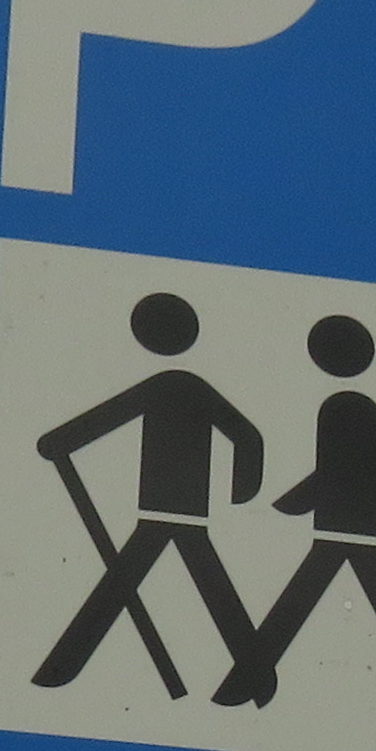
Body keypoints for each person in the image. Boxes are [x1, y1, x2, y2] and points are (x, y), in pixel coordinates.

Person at [216, 314, 376, 725]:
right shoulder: (347, 406)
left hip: (344, 527)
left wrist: (294, 503)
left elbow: (375, 463)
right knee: (316, 605)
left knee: (307, 605)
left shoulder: (345, 407)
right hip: (345, 529)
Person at [28, 293, 263, 697]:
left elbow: (245, 436)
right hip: (168, 510)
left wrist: (60, 440)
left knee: (139, 584)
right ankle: (58, 670)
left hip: (176, 509)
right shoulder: (181, 385)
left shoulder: (175, 385)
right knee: (147, 584)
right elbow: (247, 437)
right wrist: (59, 440)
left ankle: (59, 670)